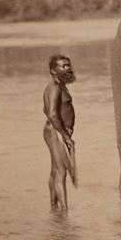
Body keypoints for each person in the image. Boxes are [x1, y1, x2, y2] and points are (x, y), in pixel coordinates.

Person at [43, 54, 77, 211]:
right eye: (63, 66)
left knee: (56, 169)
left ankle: (53, 208)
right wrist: (64, 135)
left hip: (57, 131)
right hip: (56, 132)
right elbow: (51, 114)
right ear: (53, 71)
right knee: (62, 171)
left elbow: (48, 110)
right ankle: (64, 213)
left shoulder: (60, 86)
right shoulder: (54, 88)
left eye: (68, 65)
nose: (67, 68)